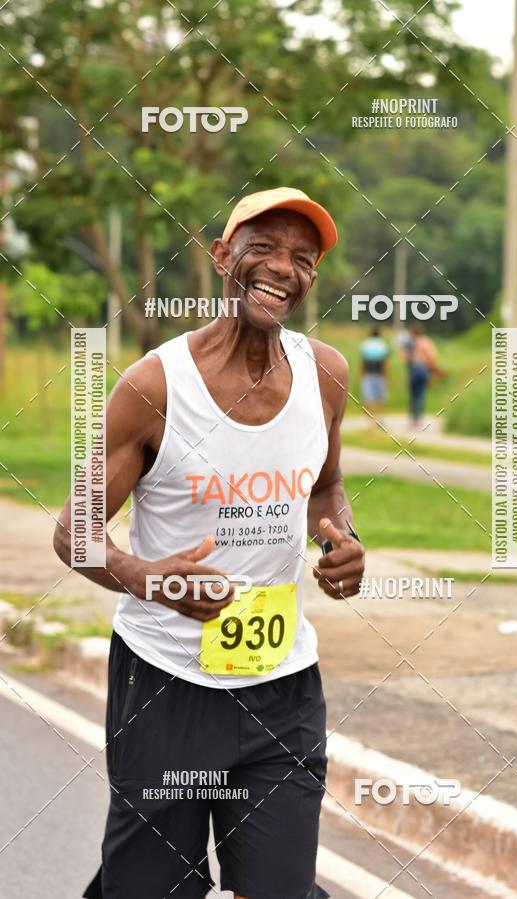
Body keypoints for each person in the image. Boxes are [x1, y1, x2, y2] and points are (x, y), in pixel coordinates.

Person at [53, 186, 365, 899]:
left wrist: (341, 540)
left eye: (302, 257)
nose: (282, 268)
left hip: (283, 685)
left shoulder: (326, 374)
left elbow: (326, 485)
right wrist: (147, 575)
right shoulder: (155, 385)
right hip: (165, 684)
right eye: (263, 248)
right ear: (222, 256)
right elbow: (73, 529)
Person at [401, 322, 439, 425]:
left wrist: (411, 359)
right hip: (423, 370)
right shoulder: (427, 342)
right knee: (420, 395)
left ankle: (412, 419)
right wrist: (432, 371)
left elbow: (404, 357)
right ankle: (418, 419)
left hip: (413, 369)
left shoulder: (409, 342)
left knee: (412, 395)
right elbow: (432, 357)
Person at [359, 326, 389, 413]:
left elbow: (362, 362)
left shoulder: (365, 344)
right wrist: (387, 376)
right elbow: (384, 363)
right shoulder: (382, 345)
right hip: (380, 373)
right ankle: (380, 416)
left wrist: (360, 374)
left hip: (368, 373)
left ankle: (370, 418)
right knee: (381, 397)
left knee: (368, 397)